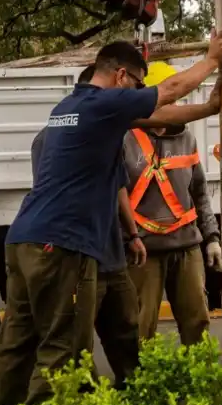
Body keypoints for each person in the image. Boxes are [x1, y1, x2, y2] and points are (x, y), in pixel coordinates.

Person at [0, 26, 222, 405]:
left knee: (14, 343)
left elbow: (156, 116)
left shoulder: (69, 110)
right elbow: (168, 92)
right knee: (61, 348)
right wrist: (213, 59)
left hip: (25, 240)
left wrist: (207, 109)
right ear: (121, 76)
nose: (139, 94)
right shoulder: (104, 105)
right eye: (137, 85)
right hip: (61, 245)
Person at [30, 114, 145, 390]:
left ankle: (134, 392)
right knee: (76, 340)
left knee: (127, 327)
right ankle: (83, 399)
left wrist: (132, 235)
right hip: (79, 259)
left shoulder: (108, 136)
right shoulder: (48, 139)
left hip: (112, 255)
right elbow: (52, 195)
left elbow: (119, 187)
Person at [124, 61, 222, 345]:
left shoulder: (186, 138)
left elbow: (199, 192)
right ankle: (143, 375)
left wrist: (212, 238)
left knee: (197, 324)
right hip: (143, 251)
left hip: (186, 247)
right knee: (140, 329)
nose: (173, 105)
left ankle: (199, 373)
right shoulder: (125, 138)